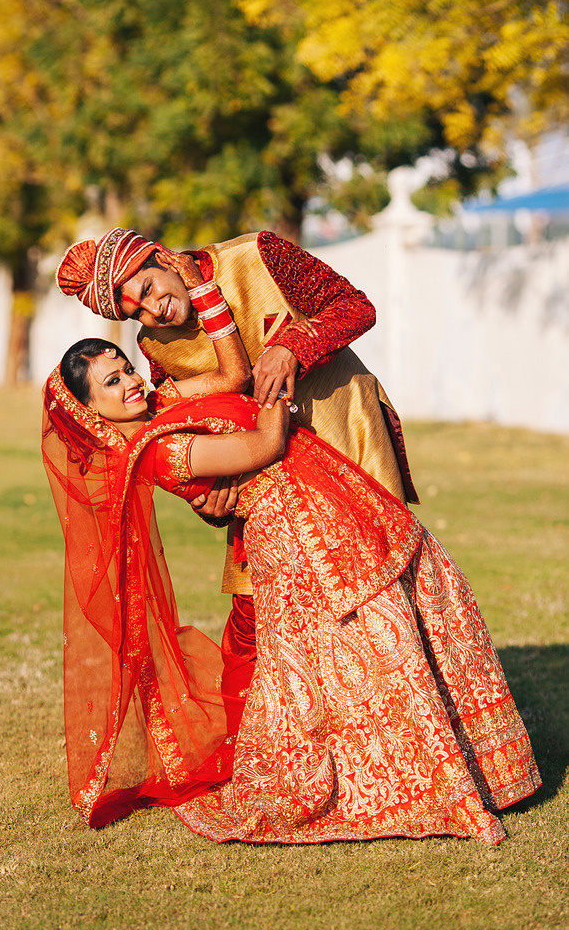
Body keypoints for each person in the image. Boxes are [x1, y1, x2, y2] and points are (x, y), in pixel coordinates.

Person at [42, 265, 540, 844]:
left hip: (324, 502)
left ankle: (473, 776)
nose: (131, 381)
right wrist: (276, 396)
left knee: (396, 629)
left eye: (125, 366)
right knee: (377, 649)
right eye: (111, 384)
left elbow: (232, 371)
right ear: (91, 413)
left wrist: (207, 289)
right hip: (297, 533)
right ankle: (430, 794)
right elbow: (263, 444)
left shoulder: (161, 401)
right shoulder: (153, 450)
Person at [55, 226, 420, 698]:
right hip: (268, 479)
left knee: (381, 584)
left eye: (148, 289)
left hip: (345, 428)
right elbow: (184, 429)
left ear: (163, 259)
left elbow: (355, 307)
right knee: (266, 614)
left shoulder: (257, 254)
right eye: (135, 311)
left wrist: (292, 347)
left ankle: (411, 711)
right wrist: (209, 500)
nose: (153, 311)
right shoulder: (154, 347)